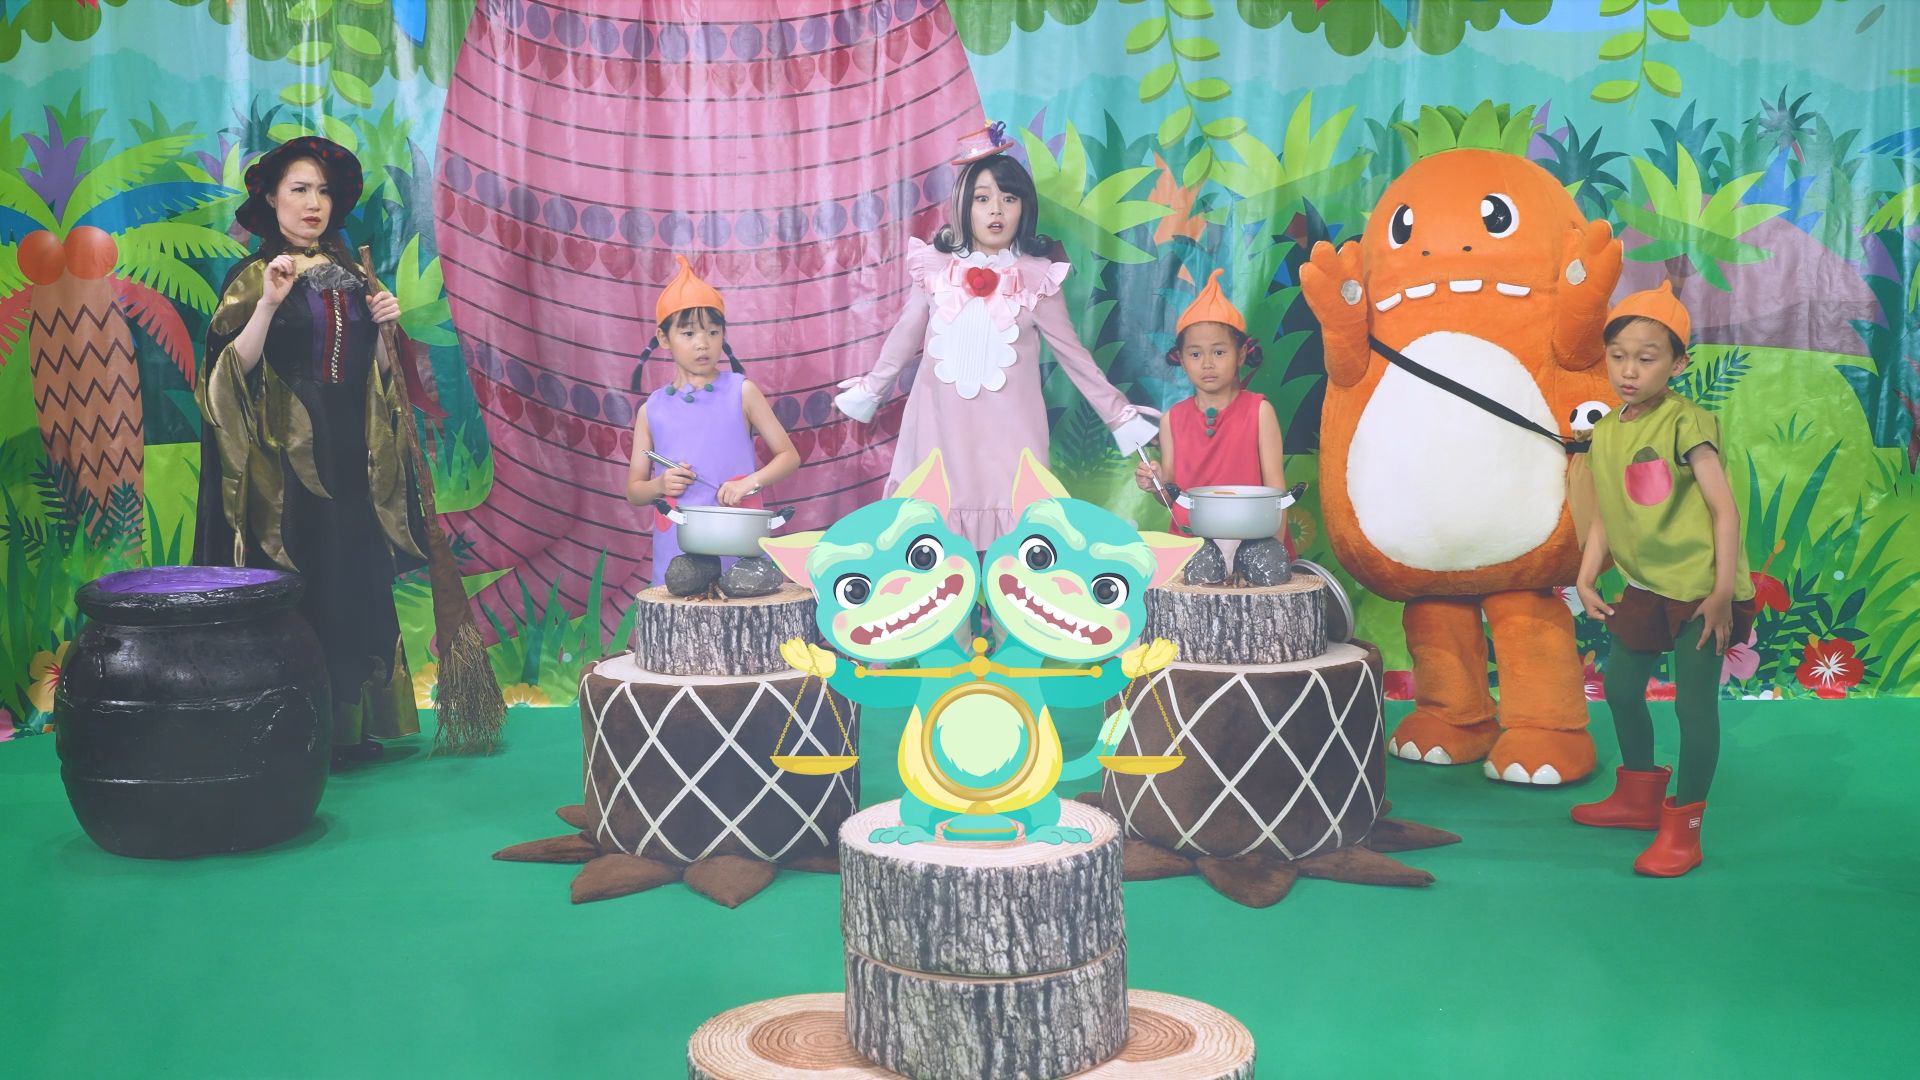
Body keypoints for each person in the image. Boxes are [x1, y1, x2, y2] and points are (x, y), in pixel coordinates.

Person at [192, 136, 426, 769]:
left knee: (351, 578)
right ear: (271, 199)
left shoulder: (354, 276)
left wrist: (386, 330)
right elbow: (226, 377)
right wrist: (269, 303)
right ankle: (290, 731)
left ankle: (349, 728)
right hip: (283, 466)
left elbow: (378, 380)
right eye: (298, 189)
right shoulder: (252, 278)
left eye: (322, 191)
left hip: (352, 455)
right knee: (299, 581)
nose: (313, 203)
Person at [832, 122, 1158, 550]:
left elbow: (1074, 356)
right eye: (983, 199)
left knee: (1017, 549)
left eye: (1009, 198)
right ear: (963, 206)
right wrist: (871, 389)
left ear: (1024, 208)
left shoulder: (1037, 278)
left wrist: (1119, 415)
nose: (996, 211)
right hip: (938, 428)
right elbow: (905, 334)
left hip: (1010, 433)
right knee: (934, 547)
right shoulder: (935, 268)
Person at [1572, 282, 1756, 877]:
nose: (1629, 371)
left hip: (1701, 590)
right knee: (1622, 689)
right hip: (1647, 587)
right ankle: (1637, 798)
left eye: (1647, 358)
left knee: (1693, 709)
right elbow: (1607, 511)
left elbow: (1724, 511)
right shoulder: (1607, 430)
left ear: (1677, 364)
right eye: (1618, 356)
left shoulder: (1688, 423)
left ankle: (1684, 831)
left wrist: (1722, 592)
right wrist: (1586, 574)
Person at [624, 256, 800, 586]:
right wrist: (660, 486)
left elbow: (789, 456)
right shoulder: (652, 409)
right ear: (664, 339)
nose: (702, 343)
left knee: (742, 605)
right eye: (688, 333)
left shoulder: (742, 392)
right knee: (682, 608)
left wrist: (749, 483)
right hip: (676, 547)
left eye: (713, 332)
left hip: (739, 539)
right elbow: (634, 491)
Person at [1133, 269, 1289, 549]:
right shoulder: (1172, 420)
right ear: (1181, 359)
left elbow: (1276, 494)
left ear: (1241, 354)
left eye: (1219, 352)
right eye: (1195, 354)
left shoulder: (1259, 411)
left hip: (1252, 545)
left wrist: (1272, 555)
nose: (1207, 363)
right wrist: (1155, 484)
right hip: (1191, 548)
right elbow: (1171, 497)